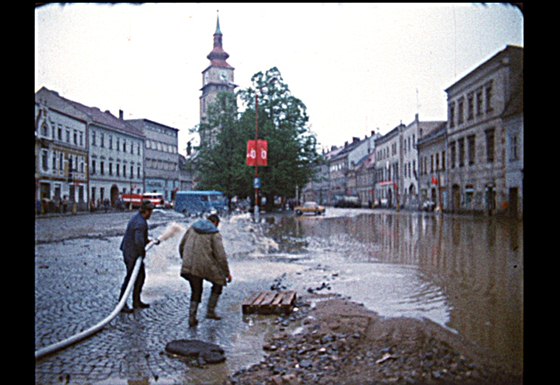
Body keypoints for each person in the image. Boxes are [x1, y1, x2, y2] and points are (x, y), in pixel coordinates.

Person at [179, 214, 232, 327]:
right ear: (215, 223)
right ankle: (210, 311)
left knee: (196, 289)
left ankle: (192, 317)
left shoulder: (192, 228)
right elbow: (221, 256)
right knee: (219, 282)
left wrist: (185, 260)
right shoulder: (214, 233)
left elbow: (181, 245)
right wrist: (227, 273)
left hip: (188, 266)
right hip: (205, 266)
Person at [118, 200, 158, 313]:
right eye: (151, 211)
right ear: (146, 211)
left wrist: (150, 241)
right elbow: (139, 241)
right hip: (131, 253)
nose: (151, 214)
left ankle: (136, 301)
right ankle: (122, 303)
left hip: (130, 251)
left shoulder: (138, 218)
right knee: (131, 278)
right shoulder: (141, 223)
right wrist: (142, 253)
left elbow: (141, 238)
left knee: (140, 276)